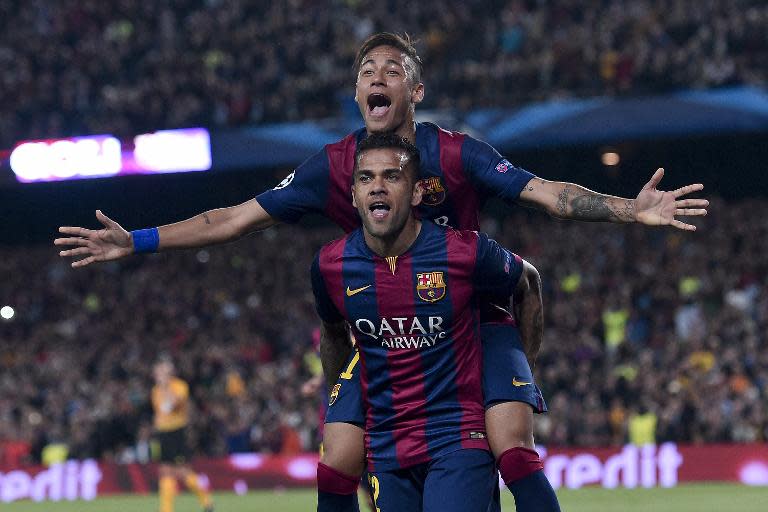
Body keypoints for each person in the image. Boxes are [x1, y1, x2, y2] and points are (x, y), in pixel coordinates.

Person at [54, 32, 707, 512]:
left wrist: (630, 209)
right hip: (387, 323)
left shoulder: (455, 152)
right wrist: (136, 240)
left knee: (510, 446)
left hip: (473, 319)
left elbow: (545, 193)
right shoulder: (332, 166)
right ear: (358, 94)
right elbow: (231, 219)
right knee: (337, 458)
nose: (378, 74)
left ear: (414, 92)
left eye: (393, 68)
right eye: (368, 68)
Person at [312, 132, 551, 511]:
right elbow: (334, 334)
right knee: (332, 467)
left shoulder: (464, 252)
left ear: (417, 192)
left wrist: (521, 376)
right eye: (365, 178)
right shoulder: (330, 266)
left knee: (516, 454)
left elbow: (528, 281)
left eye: (392, 176)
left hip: (458, 433)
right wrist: (343, 403)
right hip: (388, 442)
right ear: (353, 195)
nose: (377, 187)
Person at [151, 359, 213, 512]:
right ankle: (166, 510)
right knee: (165, 470)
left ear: (169, 373)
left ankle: (207, 501)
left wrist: (166, 387)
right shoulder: (155, 391)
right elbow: (159, 413)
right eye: (156, 372)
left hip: (177, 432)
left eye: (160, 371)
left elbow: (172, 407)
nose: (157, 374)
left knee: (183, 471)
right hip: (163, 434)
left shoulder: (180, 386)